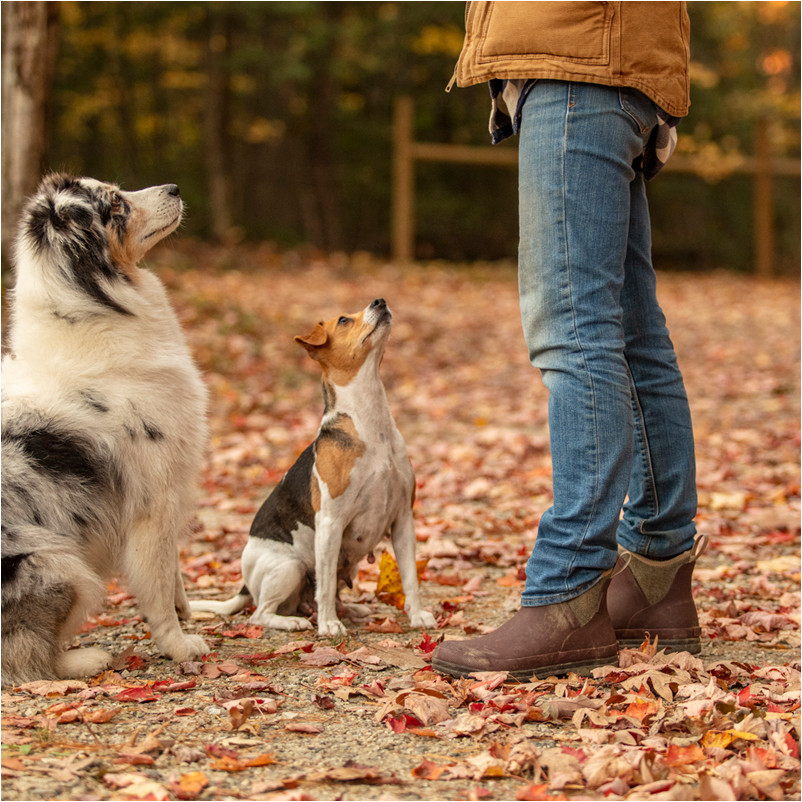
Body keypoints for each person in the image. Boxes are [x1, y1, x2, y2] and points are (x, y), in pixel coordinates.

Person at [432, 1, 704, 680]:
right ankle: (654, 578)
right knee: (633, 335)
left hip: (581, 58)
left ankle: (568, 591)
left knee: (573, 330)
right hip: (609, 60)